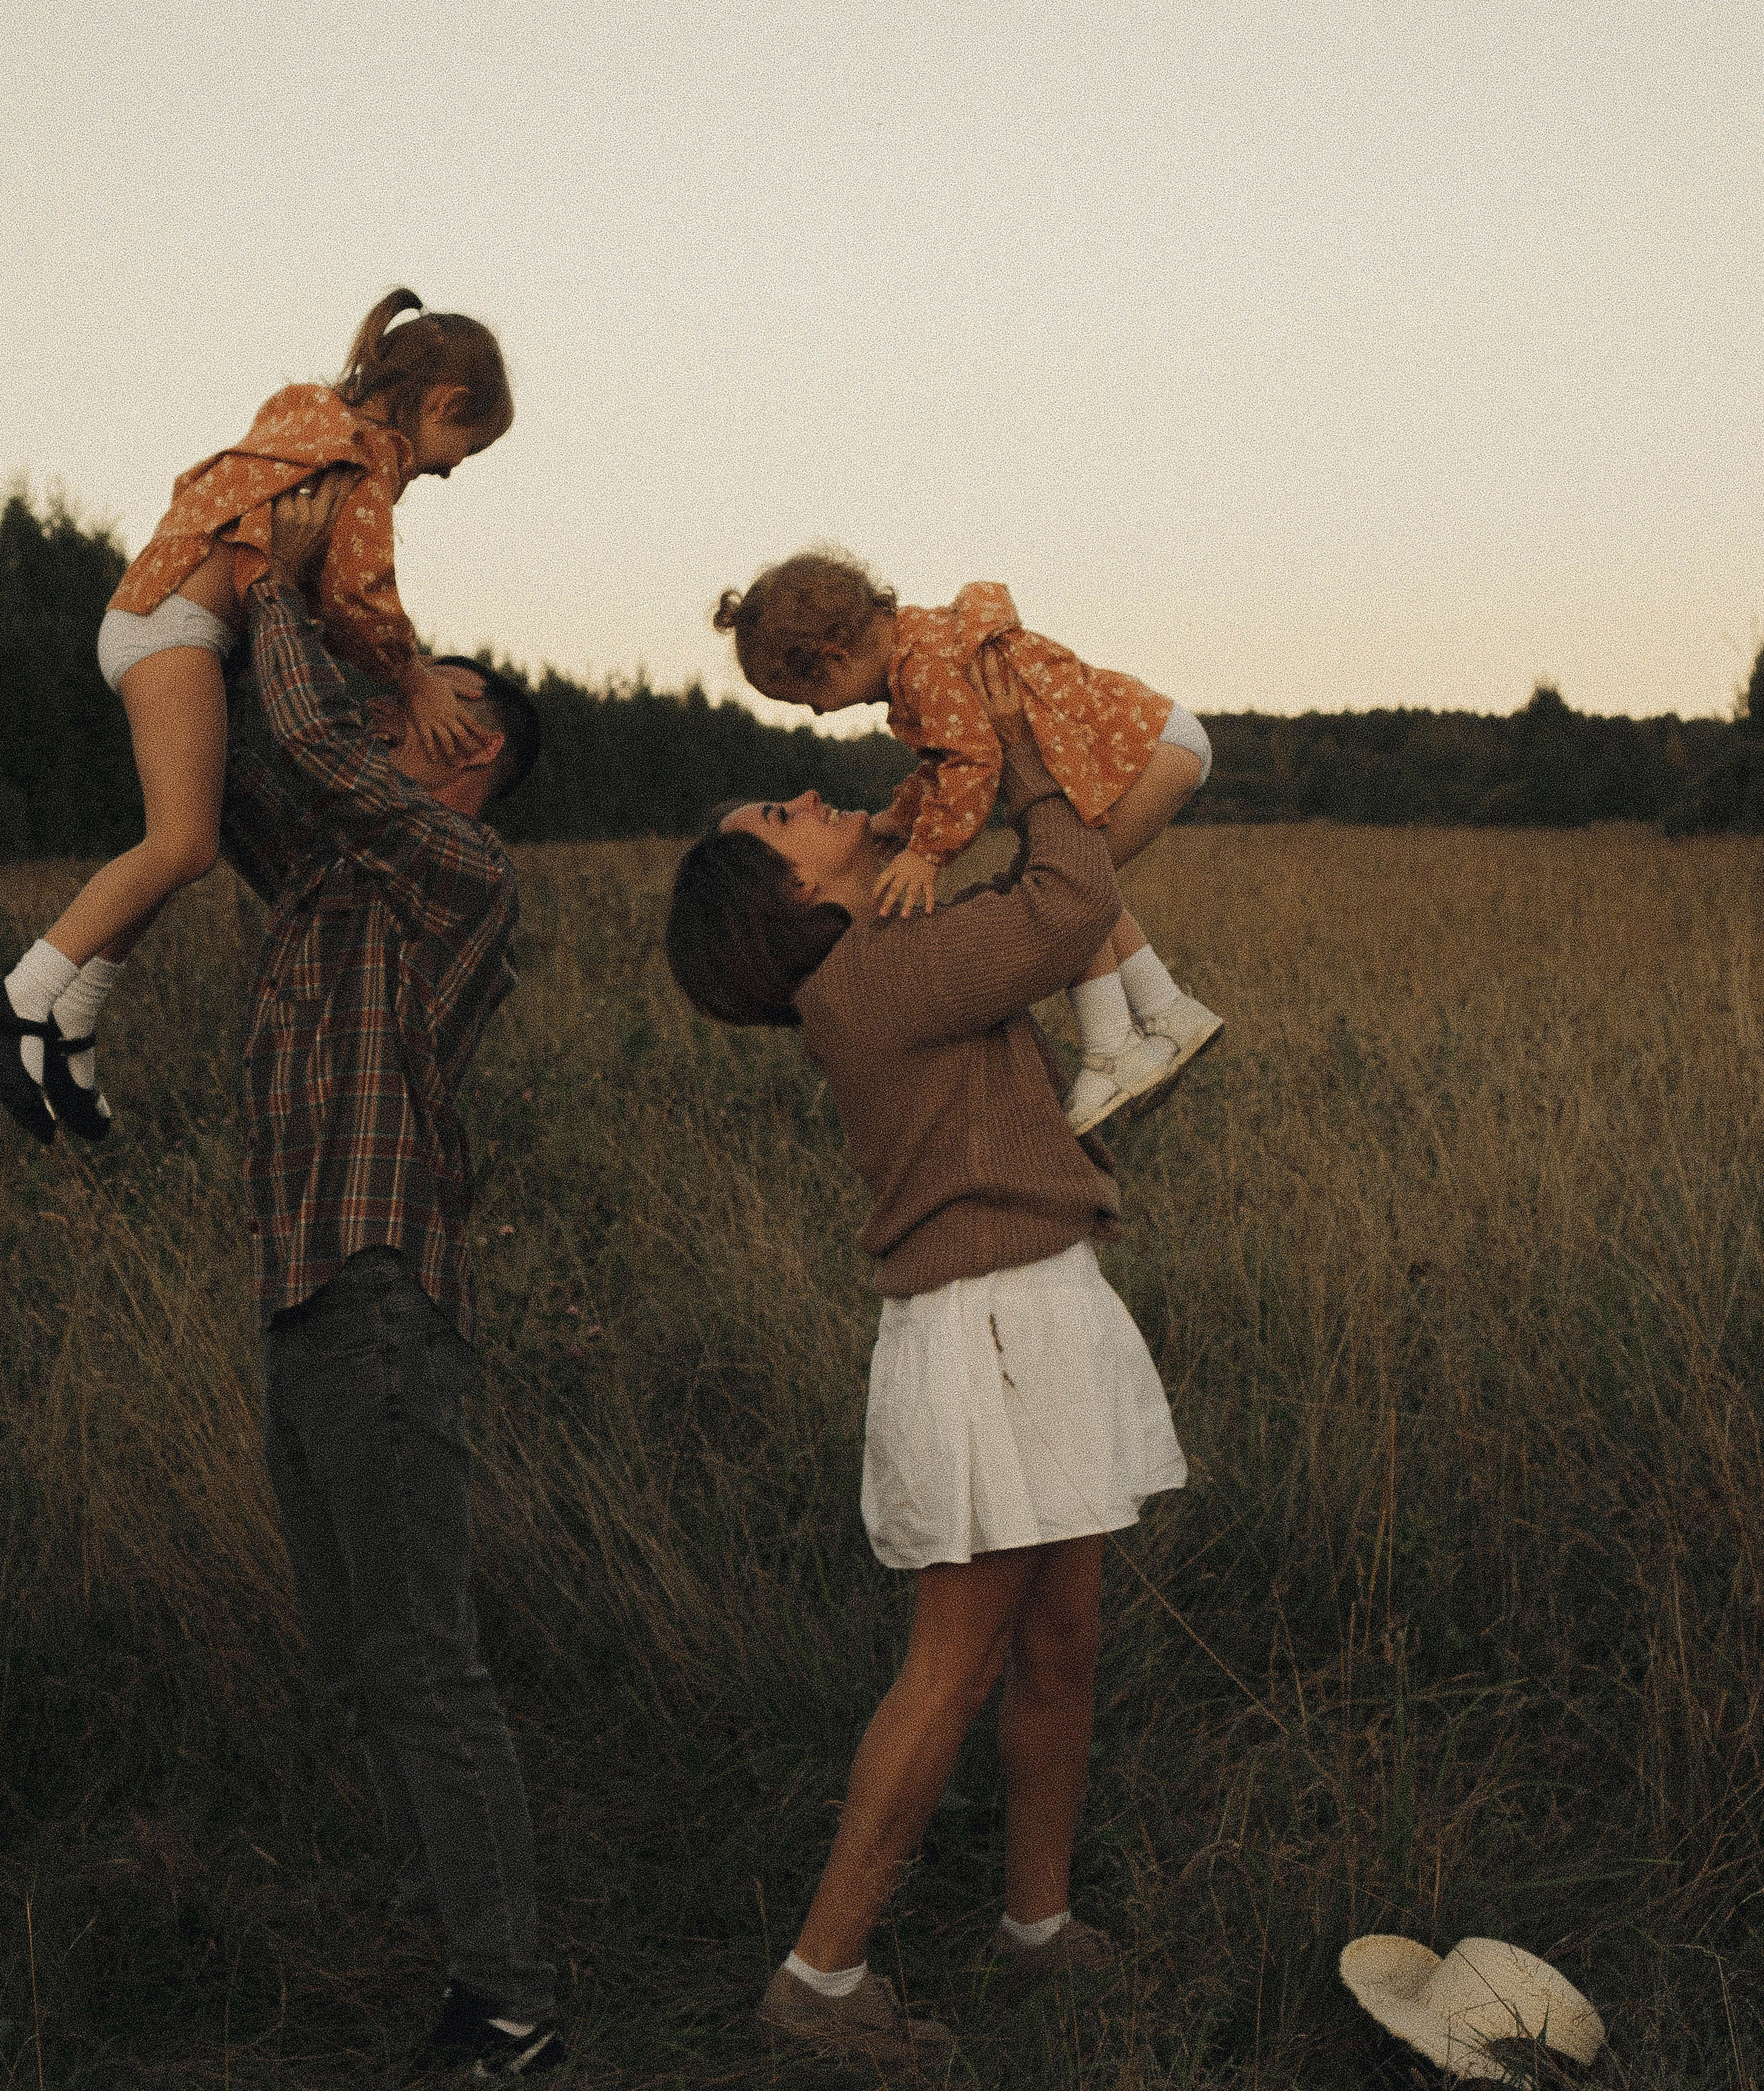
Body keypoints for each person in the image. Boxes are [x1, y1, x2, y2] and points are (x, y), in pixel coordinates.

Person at [665, 648, 1189, 2072]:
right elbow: (1072, 900)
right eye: (783, 822)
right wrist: (1015, 744)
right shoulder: (878, 977)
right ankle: (819, 1979)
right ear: (794, 904)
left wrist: (918, 805)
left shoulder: (885, 949)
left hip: (1036, 1311)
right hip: (993, 1336)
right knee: (951, 1669)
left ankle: (1036, 1927)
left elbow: (963, 868)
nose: (805, 794)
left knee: (1060, 1644)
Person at [216, 471, 562, 2081]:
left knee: (419, 1651)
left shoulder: (450, 871)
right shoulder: (318, 883)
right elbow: (238, 752)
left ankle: (507, 1995)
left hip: (376, 1301)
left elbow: (303, 737)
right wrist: (222, 576)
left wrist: (287, 582)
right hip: (304, 1308)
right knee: (361, 1652)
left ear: (470, 754)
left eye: (436, 698)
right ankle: (445, 1920)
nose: (398, 704)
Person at [0, 290, 513, 1148]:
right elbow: (358, 593)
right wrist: (413, 675)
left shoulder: (308, 419)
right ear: (445, 405)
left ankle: (76, 1022)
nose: (438, 475)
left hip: (163, 621)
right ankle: (22, 997)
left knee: (182, 842)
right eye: (452, 459)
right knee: (182, 847)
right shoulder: (362, 459)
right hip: (175, 628)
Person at [712, 553, 1222, 1135]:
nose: (820, 713)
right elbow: (946, 763)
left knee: (1063, 891)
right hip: (1157, 737)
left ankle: (1114, 1046)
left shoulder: (923, 670)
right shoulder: (920, 655)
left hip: (1150, 751)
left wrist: (928, 852)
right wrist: (901, 819)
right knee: (1071, 881)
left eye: (809, 699)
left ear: (834, 657)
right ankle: (1166, 1012)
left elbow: (975, 761)